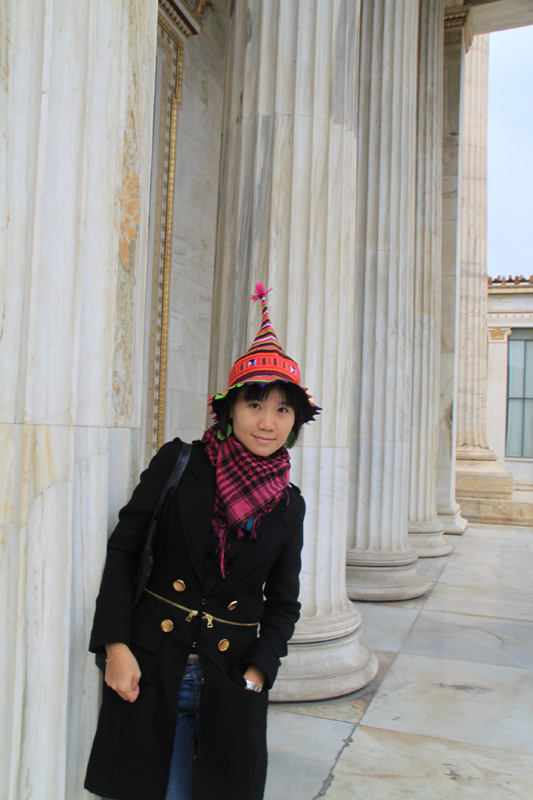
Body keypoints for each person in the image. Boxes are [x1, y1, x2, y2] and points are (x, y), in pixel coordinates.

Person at [84, 282, 320, 800]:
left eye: (283, 410)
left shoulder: (289, 505)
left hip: (230, 682)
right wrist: (115, 646)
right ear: (230, 409)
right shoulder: (180, 462)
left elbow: (284, 602)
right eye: (255, 404)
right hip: (151, 667)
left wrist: (258, 673)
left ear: (295, 422)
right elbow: (124, 552)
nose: (268, 422)